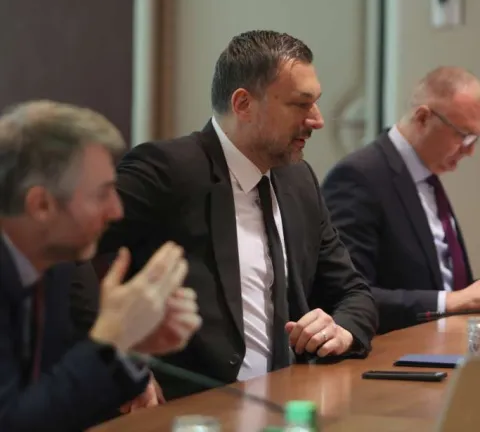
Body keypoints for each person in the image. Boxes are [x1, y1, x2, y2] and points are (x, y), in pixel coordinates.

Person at [98, 30, 377, 400]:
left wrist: (341, 329)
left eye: (316, 103)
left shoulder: (299, 180)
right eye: (301, 104)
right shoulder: (167, 170)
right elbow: (69, 262)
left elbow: (353, 292)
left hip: (288, 400)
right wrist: (124, 370)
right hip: (193, 407)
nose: (317, 120)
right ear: (243, 104)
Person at [0, 101, 202, 431]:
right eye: (102, 194)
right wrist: (111, 339)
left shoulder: (54, 264)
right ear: (41, 205)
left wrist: (130, 347)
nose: (117, 211)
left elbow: (53, 401)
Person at [322, 66, 480, 333]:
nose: (470, 151)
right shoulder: (358, 176)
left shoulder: (427, 177)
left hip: (447, 341)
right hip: (393, 350)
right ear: (423, 118)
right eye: (463, 135)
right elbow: (347, 295)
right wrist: (451, 301)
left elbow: (447, 280)